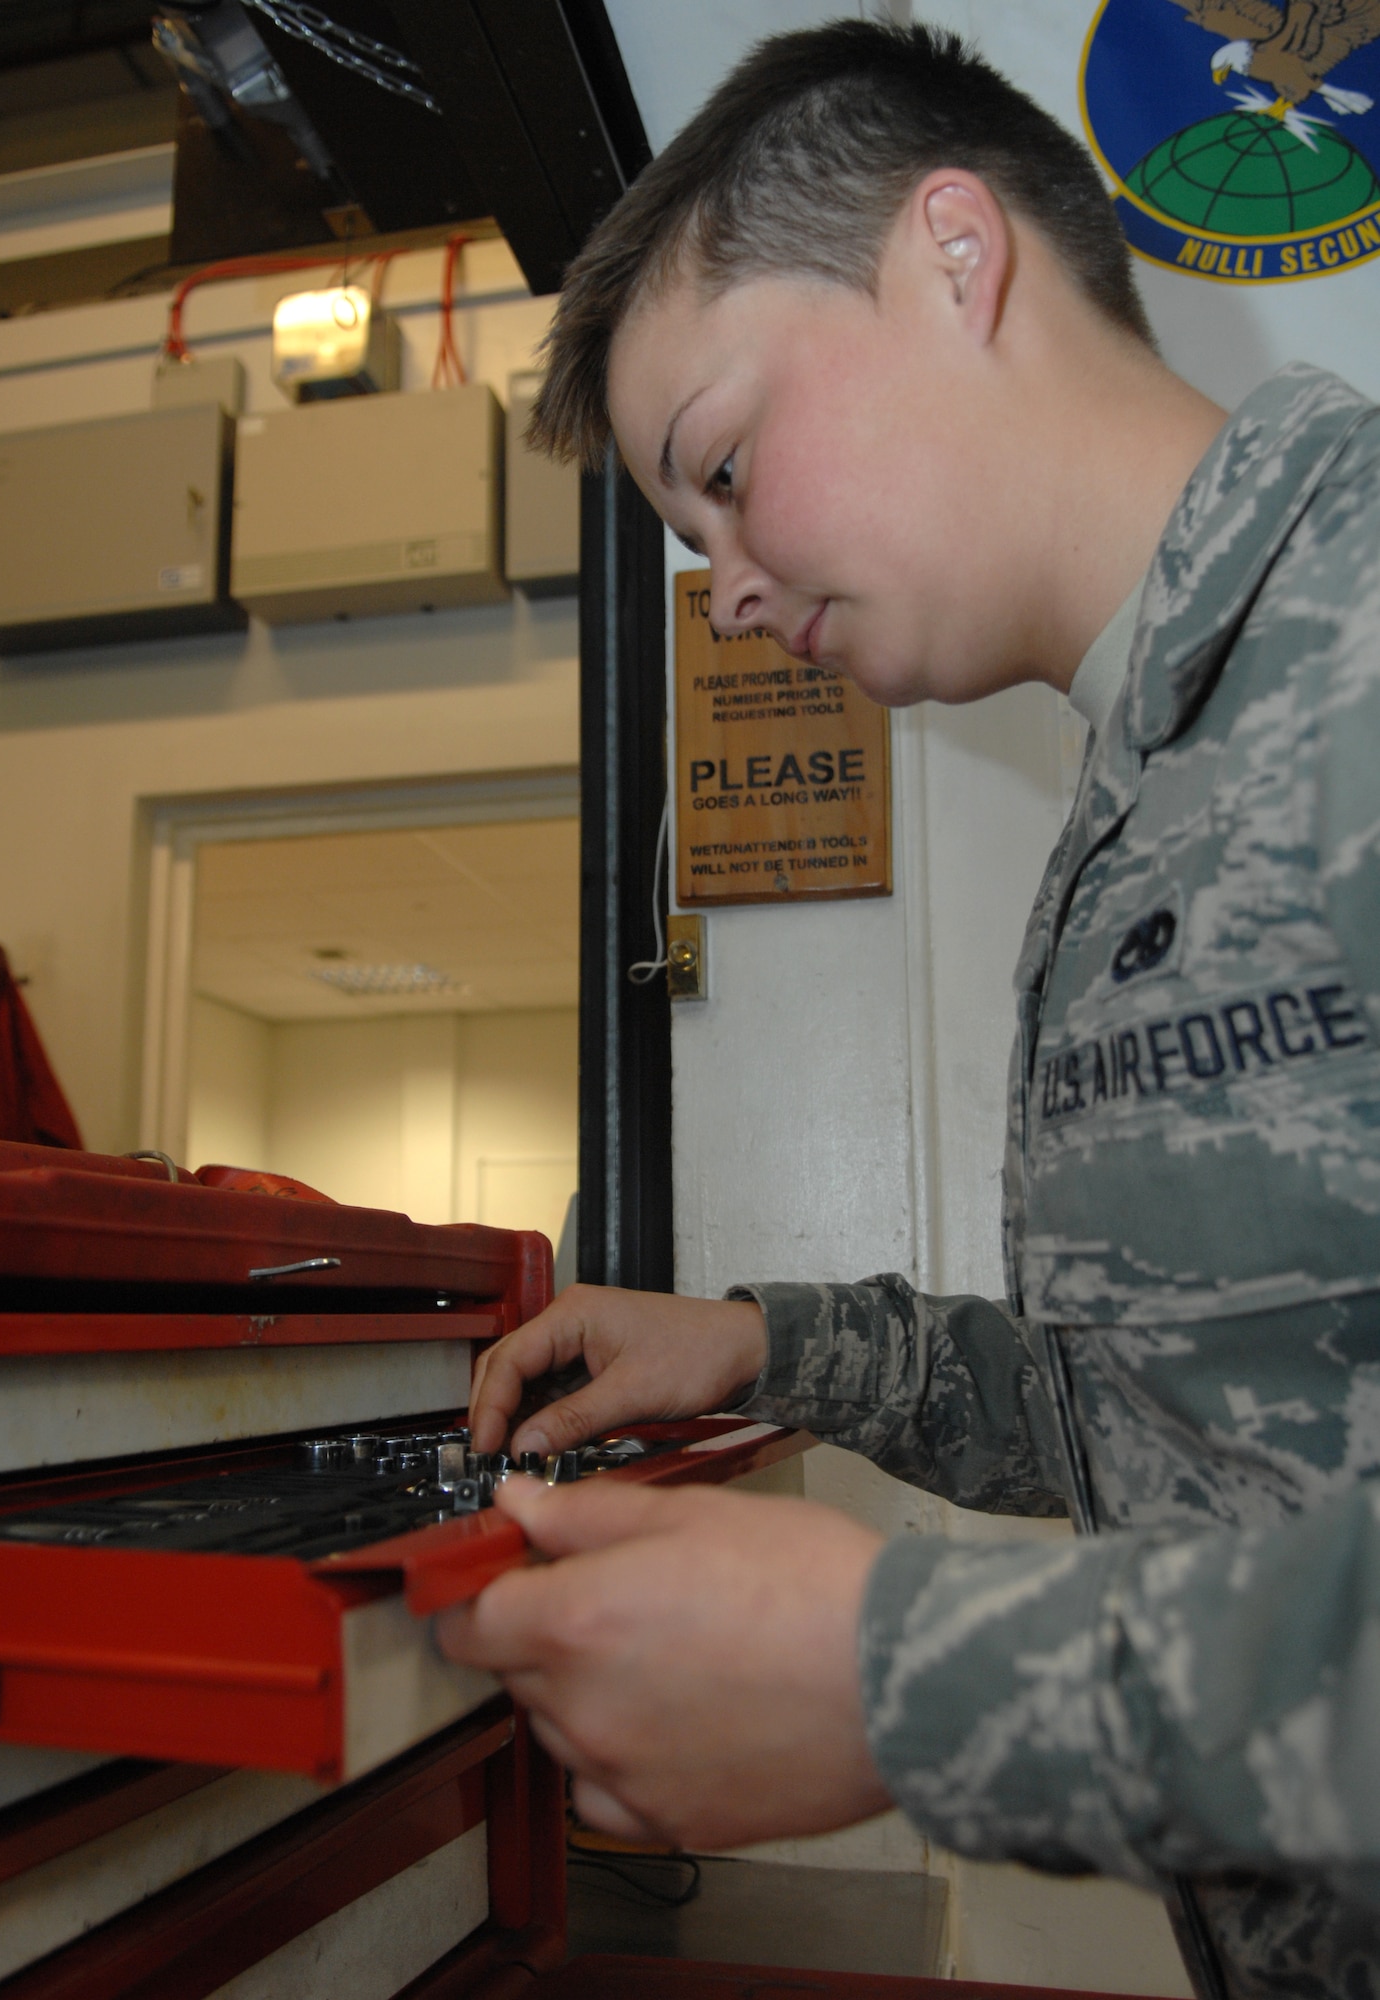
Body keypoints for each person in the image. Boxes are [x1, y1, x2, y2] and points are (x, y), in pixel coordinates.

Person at [435, 21, 1380, 2000]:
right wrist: (772, 1346)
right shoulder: (1140, 782)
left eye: (723, 466)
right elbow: (1181, 1415)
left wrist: (922, 1686)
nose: (721, 593)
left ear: (956, 259)